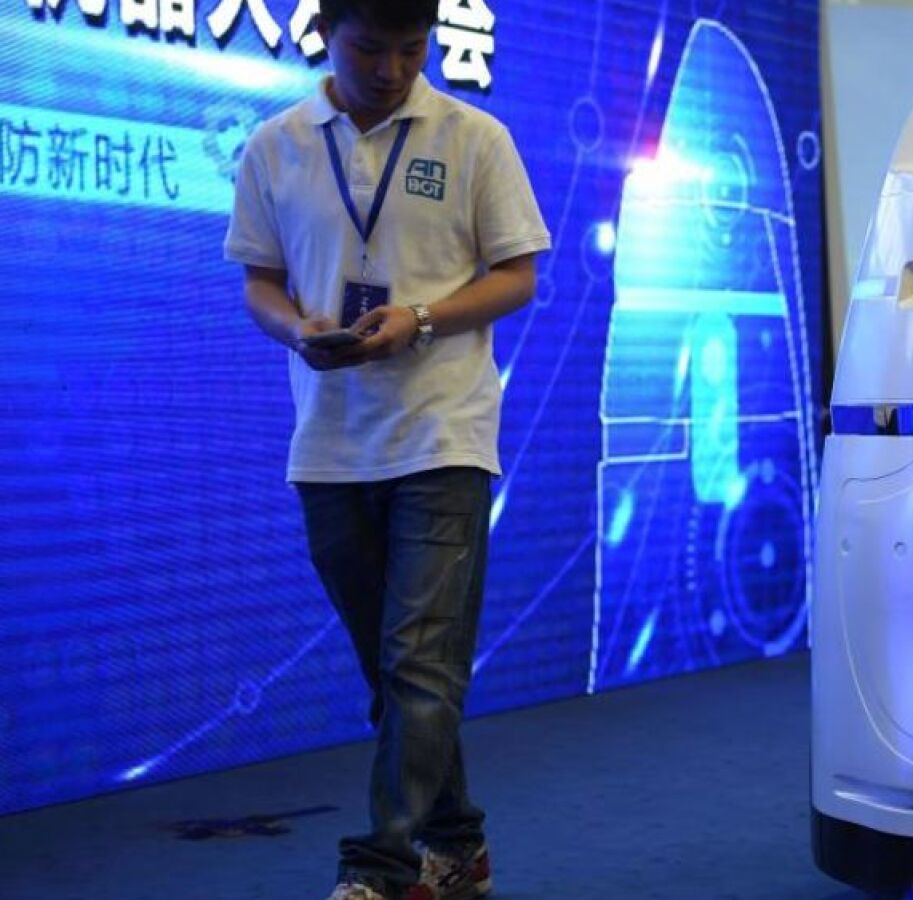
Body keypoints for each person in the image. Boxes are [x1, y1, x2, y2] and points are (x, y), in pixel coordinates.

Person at [222, 0, 550, 896]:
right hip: (328, 442)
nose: (392, 69)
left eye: (412, 49)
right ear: (325, 33)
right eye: (370, 47)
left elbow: (517, 275)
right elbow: (259, 282)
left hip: (443, 432)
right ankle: (458, 844)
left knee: (418, 662)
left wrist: (423, 319)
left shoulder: (474, 136)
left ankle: (380, 868)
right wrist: (296, 329)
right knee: (396, 671)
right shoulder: (276, 146)